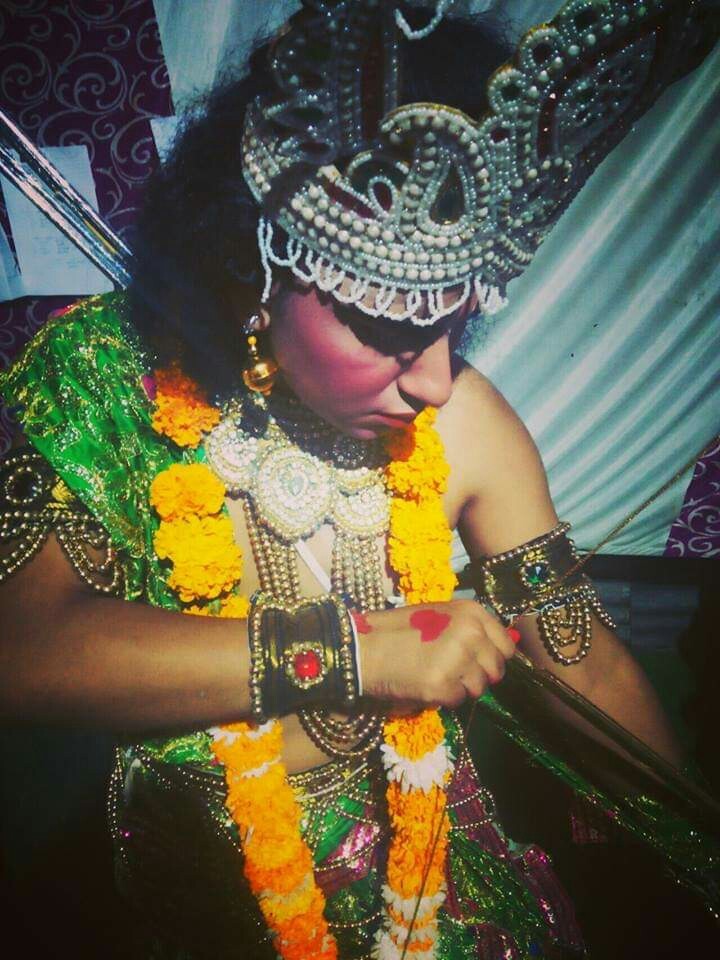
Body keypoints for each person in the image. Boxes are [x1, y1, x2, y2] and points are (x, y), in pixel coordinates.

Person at [0, 2, 715, 958]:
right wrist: (356, 653)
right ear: (252, 272)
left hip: (439, 909)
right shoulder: (106, 380)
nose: (435, 380)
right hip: (186, 914)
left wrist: (701, 855)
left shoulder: (462, 417)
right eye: (389, 324)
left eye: (455, 321)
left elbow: (580, 660)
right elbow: (22, 651)